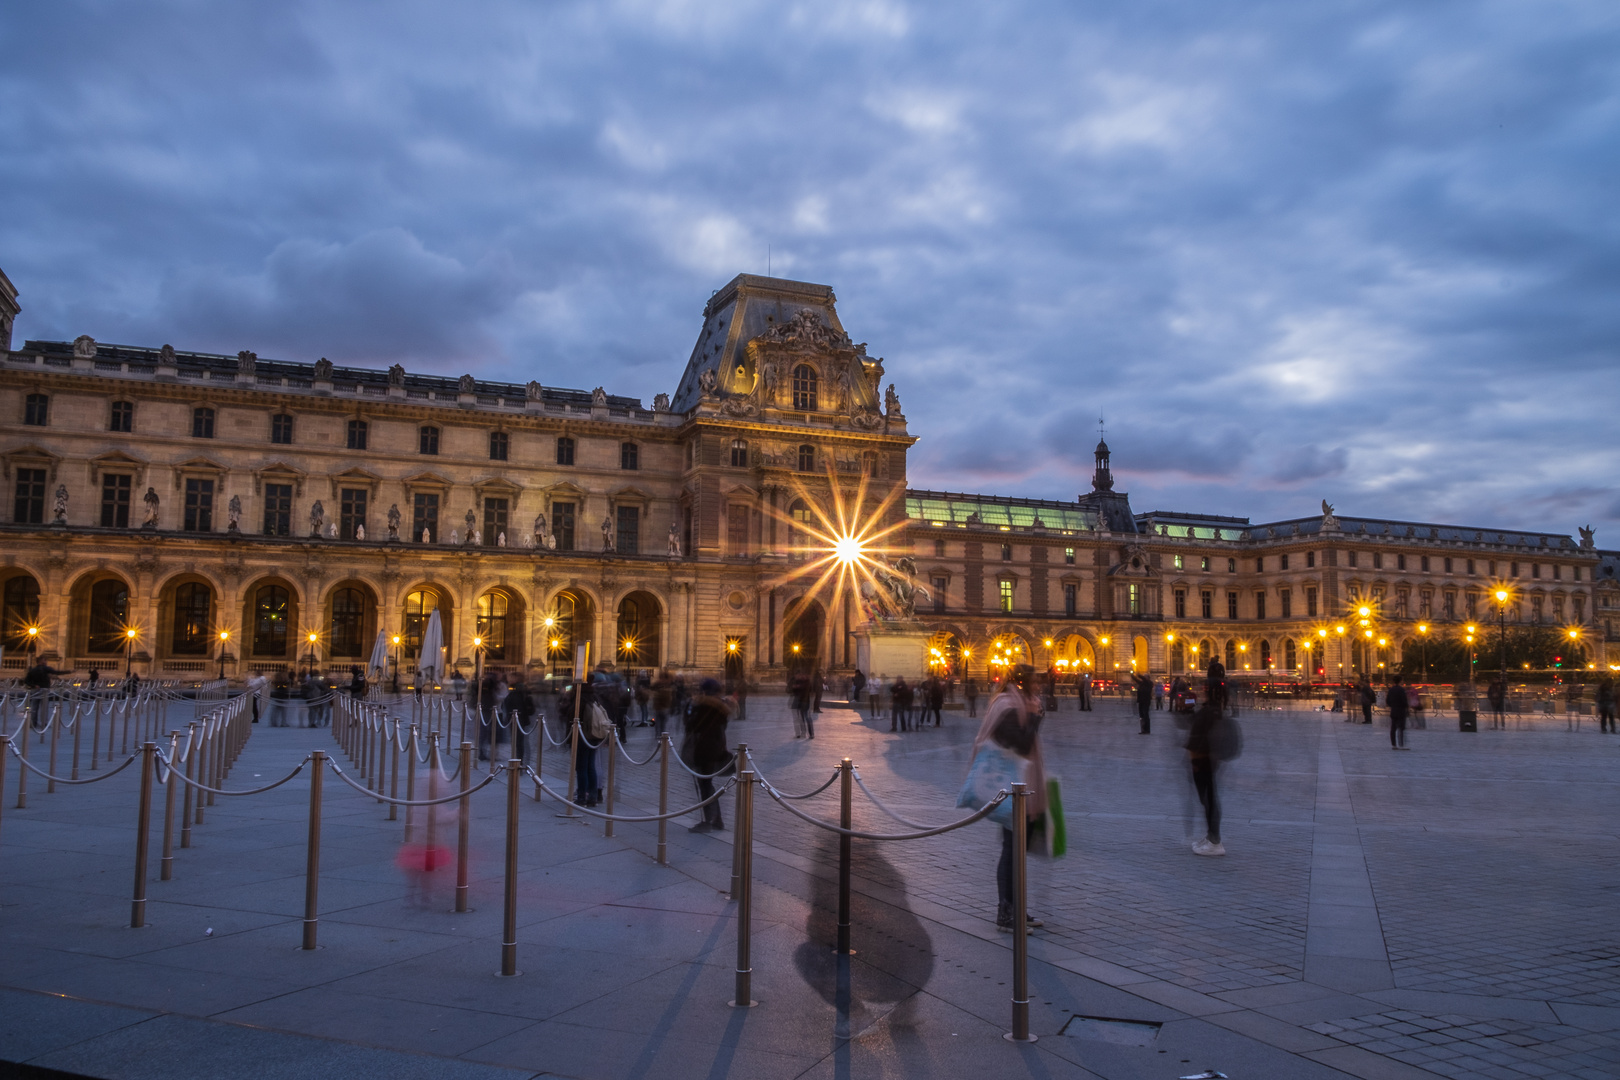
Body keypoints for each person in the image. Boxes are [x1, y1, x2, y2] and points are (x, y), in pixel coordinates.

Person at [972, 664, 1046, 933]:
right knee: (1011, 851)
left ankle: (1015, 908)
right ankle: (1006, 913)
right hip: (1011, 787)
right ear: (1023, 682)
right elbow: (1020, 744)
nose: (1039, 686)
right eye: (1035, 681)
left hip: (1019, 785)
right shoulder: (1008, 705)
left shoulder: (1016, 703)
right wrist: (1036, 717)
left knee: (1015, 851)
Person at [683, 678, 731, 832]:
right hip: (716, 747)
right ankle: (717, 819)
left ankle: (707, 821)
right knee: (707, 784)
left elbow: (691, 726)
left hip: (703, 748)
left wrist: (689, 709)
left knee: (704, 785)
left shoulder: (703, 706)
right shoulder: (722, 706)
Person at [1185, 696, 1225, 856]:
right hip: (1203, 758)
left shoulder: (1211, 711)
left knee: (1209, 800)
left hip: (1204, 759)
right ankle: (1211, 836)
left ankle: (1215, 841)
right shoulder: (1209, 709)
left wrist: (1198, 760)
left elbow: (1203, 733)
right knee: (1207, 799)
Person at [23, 658, 58, 731]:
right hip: (43, 690)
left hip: (37, 690)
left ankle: (34, 723)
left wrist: (33, 685)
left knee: (35, 707)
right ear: (40, 662)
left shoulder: (34, 670)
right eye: (45, 661)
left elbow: (26, 681)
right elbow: (56, 672)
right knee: (43, 707)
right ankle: (44, 723)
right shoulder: (42, 670)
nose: (46, 662)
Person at [1387, 674, 1410, 750]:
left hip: (1393, 710)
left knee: (1393, 728)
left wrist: (1392, 705)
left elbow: (1388, 701)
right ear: (1400, 681)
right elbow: (1404, 701)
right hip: (1401, 711)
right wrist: (1406, 707)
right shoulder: (1401, 690)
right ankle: (1401, 744)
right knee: (1401, 728)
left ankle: (1394, 744)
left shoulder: (1391, 690)